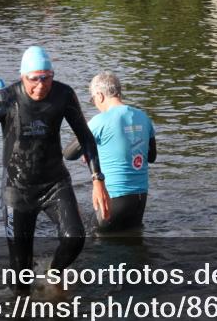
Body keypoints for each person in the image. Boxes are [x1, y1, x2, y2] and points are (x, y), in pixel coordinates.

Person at [0, 46, 109, 291]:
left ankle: (53, 273)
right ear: (23, 77)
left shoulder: (64, 95)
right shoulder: (4, 98)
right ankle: (19, 318)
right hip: (17, 188)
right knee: (20, 276)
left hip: (55, 183)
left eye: (47, 77)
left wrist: (97, 179)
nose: (41, 85)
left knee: (74, 238)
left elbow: (85, 136)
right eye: (35, 79)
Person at [63, 71, 156, 232]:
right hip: (140, 201)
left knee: (82, 232)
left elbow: (68, 154)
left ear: (99, 95)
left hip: (114, 200)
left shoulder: (99, 122)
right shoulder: (143, 117)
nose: (95, 104)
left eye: (93, 99)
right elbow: (151, 156)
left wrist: (86, 132)